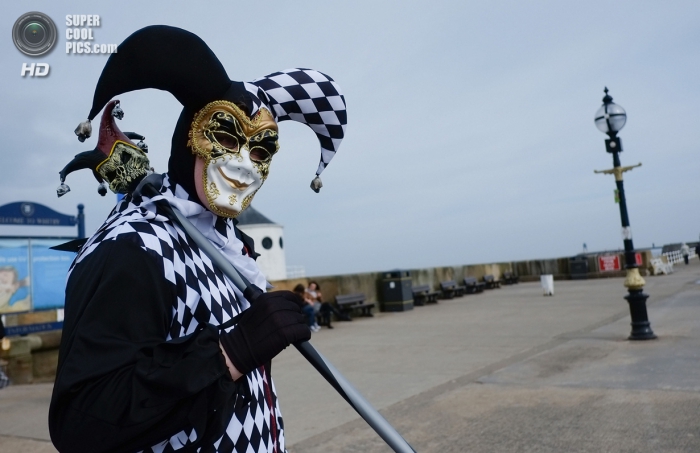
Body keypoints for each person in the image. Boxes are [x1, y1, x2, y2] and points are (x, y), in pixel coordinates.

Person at [49, 25, 347, 453]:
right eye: (226, 138)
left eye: (260, 151)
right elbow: (80, 421)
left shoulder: (228, 244)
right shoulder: (132, 249)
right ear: (190, 136)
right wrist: (229, 352)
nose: (244, 166)